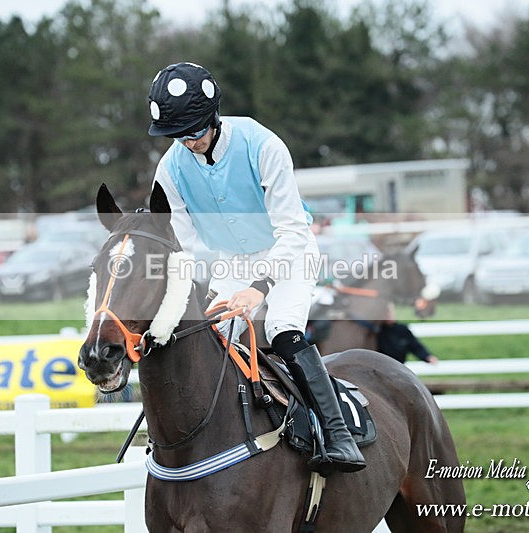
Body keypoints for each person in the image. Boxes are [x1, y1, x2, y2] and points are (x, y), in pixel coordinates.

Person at [146, 62, 365, 473]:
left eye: (193, 131)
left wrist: (260, 286)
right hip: (231, 263)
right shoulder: (170, 169)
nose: (187, 143)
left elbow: (293, 230)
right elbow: (184, 245)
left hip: (290, 251)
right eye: (177, 135)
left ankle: (338, 435)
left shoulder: (262, 144)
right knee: (207, 336)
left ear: (212, 117)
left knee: (281, 329)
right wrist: (195, 293)